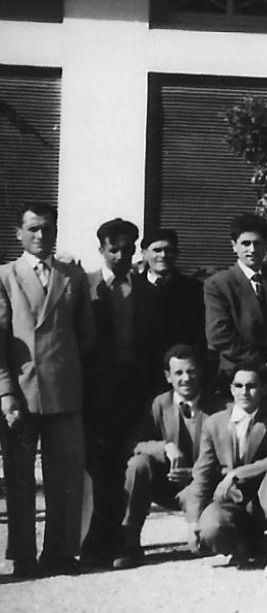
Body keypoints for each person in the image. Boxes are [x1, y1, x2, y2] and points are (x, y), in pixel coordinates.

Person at [0, 203, 95, 578]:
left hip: (64, 390)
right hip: (21, 392)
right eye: (34, 229)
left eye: (48, 229)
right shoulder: (5, 276)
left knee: (66, 477)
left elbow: (86, 335)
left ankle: (60, 552)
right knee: (21, 478)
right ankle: (23, 554)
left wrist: (65, 369)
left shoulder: (72, 276)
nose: (42, 236)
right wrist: (6, 393)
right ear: (19, 233)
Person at [114, 345, 221, 569]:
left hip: (205, 486)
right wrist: (165, 447)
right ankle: (130, 541)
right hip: (168, 485)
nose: (186, 379)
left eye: (191, 371)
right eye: (179, 373)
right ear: (168, 377)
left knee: (204, 545)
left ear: (200, 372)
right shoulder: (158, 404)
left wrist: (195, 474)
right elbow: (134, 443)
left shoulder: (218, 407)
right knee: (138, 464)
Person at [83, 217, 152, 565]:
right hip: (96, 393)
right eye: (115, 250)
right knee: (99, 467)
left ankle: (126, 539)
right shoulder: (86, 286)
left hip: (133, 390)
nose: (122, 256)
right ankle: (96, 540)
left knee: (127, 464)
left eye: (128, 249)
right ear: (102, 250)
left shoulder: (143, 289)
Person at [190, 362, 267, 579]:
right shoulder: (215, 423)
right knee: (211, 529)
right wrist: (194, 521)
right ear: (231, 389)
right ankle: (244, 547)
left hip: (266, 497)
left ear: (264, 389)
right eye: (238, 386)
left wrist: (236, 473)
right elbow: (202, 473)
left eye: (251, 386)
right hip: (232, 500)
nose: (244, 392)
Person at [203, 213, 267, 399]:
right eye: (245, 243)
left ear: (266, 245)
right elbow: (219, 335)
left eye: (257, 243)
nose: (252, 249)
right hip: (237, 375)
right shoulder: (219, 284)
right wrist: (259, 362)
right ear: (234, 246)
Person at [136, 228, 205, 393]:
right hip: (140, 372)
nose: (163, 255)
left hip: (180, 373)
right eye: (156, 250)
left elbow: (199, 334)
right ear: (144, 254)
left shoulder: (193, 289)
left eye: (168, 250)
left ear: (177, 253)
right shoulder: (133, 287)